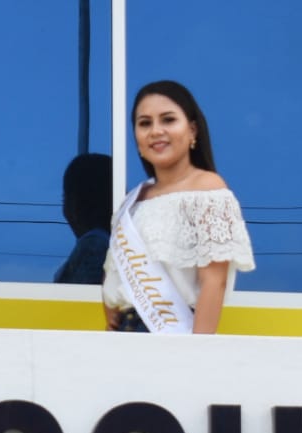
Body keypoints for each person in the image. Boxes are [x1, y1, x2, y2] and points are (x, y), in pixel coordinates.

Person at [102, 80, 253, 334]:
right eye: (145, 123)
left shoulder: (207, 189)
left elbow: (213, 282)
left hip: (173, 334)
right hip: (123, 335)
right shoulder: (134, 200)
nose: (155, 131)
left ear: (192, 130)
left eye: (168, 120)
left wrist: (194, 350)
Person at [53, 153, 112, 285]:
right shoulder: (114, 244)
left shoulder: (94, 245)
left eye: (65, 198)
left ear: (76, 203)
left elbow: (75, 294)